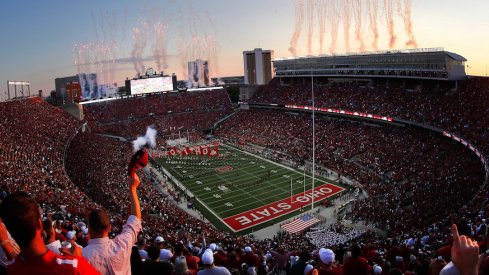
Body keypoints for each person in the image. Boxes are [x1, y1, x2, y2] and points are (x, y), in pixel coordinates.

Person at [0, 192, 100, 274]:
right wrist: (78, 261)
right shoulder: (74, 267)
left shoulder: (13, 270)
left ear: (10, 232)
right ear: (40, 225)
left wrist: (5, 243)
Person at [82, 174, 142, 275]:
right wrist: (133, 189)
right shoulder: (123, 244)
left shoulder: (83, 255)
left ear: (89, 230)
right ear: (109, 228)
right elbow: (136, 219)